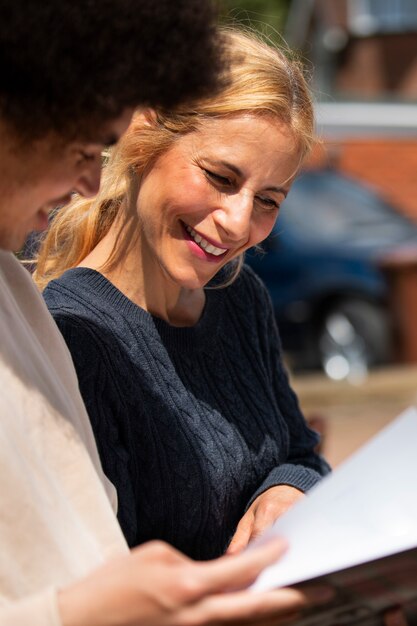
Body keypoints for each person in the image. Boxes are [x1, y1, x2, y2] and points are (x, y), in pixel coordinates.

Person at [0, 3, 334, 625]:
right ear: (144, 133)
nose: (237, 223)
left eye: (267, 200)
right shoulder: (75, 337)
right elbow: (102, 569)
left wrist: (288, 489)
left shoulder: (241, 296)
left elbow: (300, 449)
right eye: (219, 176)